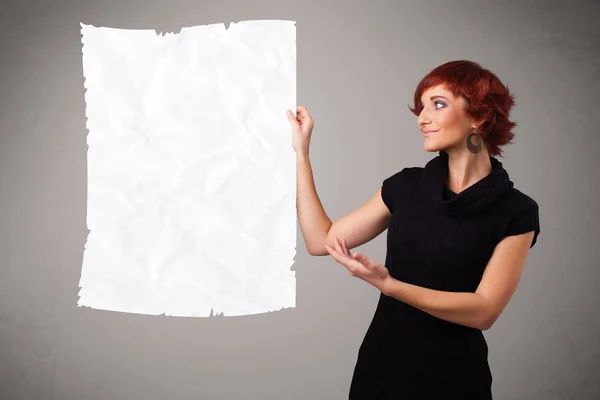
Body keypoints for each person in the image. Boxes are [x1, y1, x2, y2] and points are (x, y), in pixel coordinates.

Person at [286, 60, 540, 399]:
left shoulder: (517, 212)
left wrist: (390, 286)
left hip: (455, 382)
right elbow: (320, 241)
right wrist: (302, 153)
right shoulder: (405, 187)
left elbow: (484, 311)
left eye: (438, 104)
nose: (422, 118)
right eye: (421, 107)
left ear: (478, 115)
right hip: (381, 374)